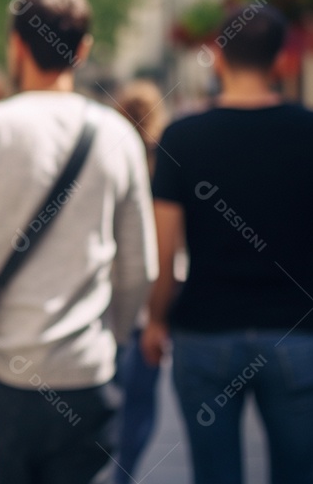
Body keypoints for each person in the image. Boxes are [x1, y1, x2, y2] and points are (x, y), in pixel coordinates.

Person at [0, 0, 157, 484]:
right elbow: (139, 267)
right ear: (83, 50)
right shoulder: (118, 135)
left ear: (15, 46)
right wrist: (112, 339)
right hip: (88, 378)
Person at [141, 4, 313, 484]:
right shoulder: (311, 132)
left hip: (206, 332)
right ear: (283, 61)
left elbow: (164, 249)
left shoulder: (183, 136)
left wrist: (156, 319)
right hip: (299, 332)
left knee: (214, 473)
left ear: (216, 57)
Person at [110, 79, 167, 484]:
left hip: (106, 303)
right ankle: (122, 474)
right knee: (140, 409)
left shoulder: (108, 157)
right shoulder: (162, 165)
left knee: (110, 402)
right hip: (145, 307)